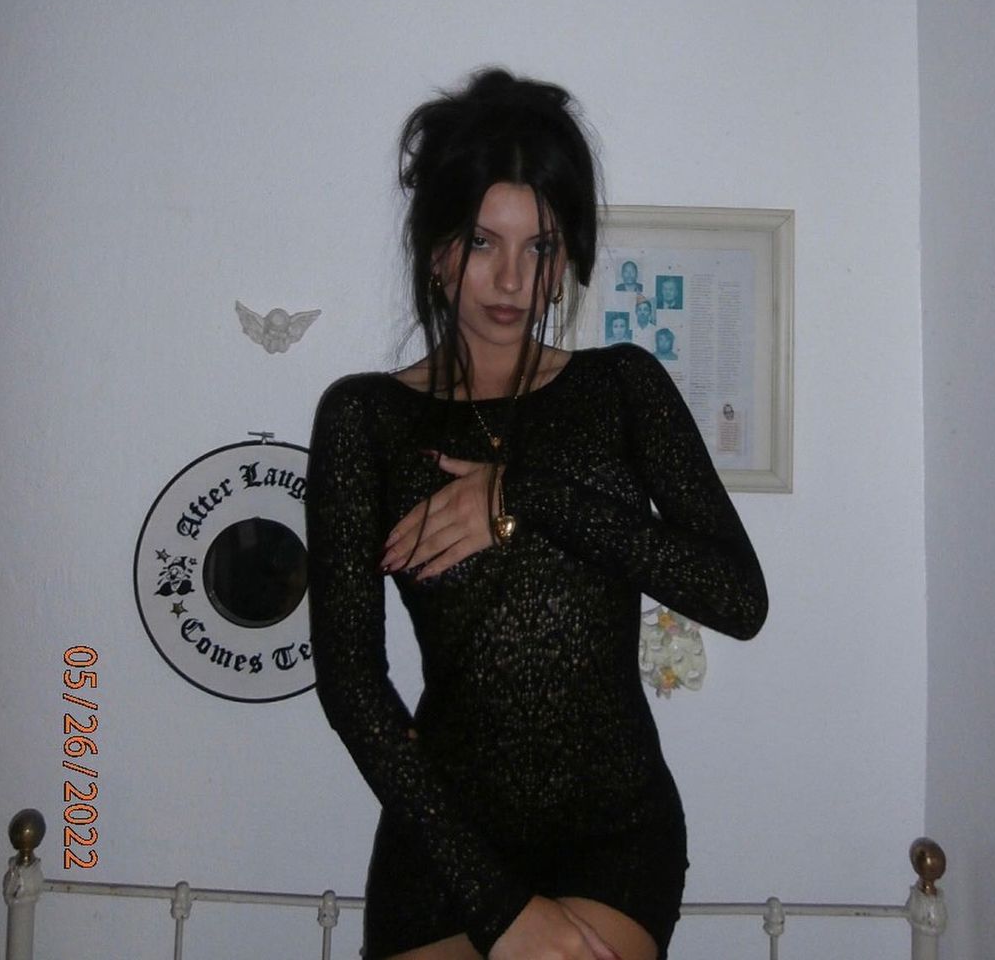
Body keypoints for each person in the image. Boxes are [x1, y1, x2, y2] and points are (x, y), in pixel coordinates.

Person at [306, 69, 767, 960]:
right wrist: (502, 907)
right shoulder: (365, 417)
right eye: (483, 241)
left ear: (568, 257)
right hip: (444, 839)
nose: (512, 278)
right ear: (436, 249)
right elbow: (351, 683)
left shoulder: (621, 386)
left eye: (541, 246)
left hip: (614, 832)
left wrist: (523, 497)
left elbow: (737, 599)